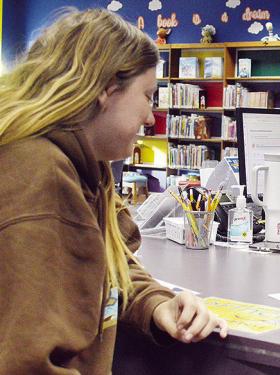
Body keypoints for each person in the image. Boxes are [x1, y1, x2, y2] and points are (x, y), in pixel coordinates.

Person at [0, 8, 227, 373]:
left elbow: (111, 265)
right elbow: (26, 364)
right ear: (107, 90)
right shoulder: (39, 175)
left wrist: (157, 304)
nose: (151, 117)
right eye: (148, 95)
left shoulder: (87, 165)